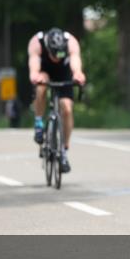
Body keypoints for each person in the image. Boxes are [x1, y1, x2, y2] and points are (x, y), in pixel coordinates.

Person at [28, 28, 87, 172]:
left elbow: (75, 60)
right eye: (55, 55)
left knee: (66, 108)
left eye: (61, 55)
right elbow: (34, 64)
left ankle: (64, 151)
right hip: (44, 70)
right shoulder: (37, 42)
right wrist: (35, 74)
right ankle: (39, 123)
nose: (58, 58)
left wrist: (78, 73)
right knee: (41, 87)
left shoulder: (71, 42)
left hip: (64, 72)